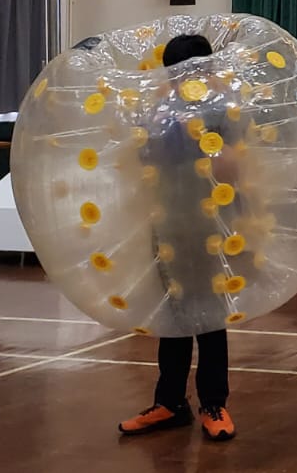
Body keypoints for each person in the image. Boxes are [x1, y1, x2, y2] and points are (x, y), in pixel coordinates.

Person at [118, 34, 236, 442]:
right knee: (172, 315)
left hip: (206, 223)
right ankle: (170, 401)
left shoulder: (220, 110)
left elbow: (235, 165)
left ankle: (214, 403)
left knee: (208, 314)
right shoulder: (158, 112)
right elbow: (140, 161)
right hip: (165, 221)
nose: (176, 80)